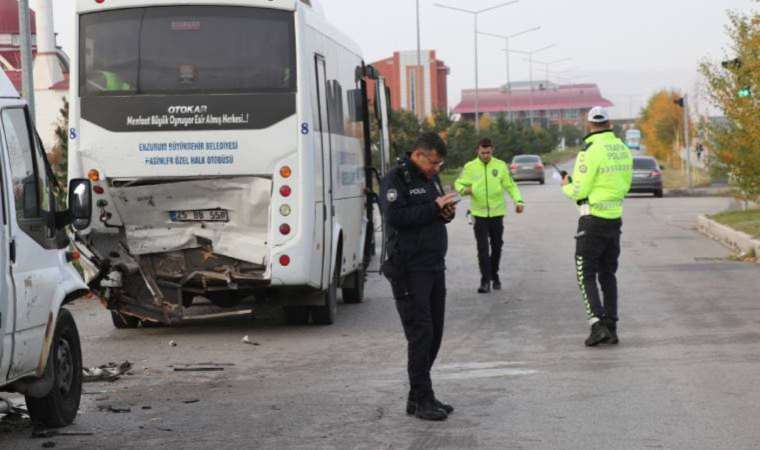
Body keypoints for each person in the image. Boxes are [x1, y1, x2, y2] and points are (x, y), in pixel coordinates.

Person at [379, 132, 458, 421]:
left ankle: (419, 395)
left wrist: (445, 212)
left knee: (434, 333)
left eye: (439, 164)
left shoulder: (429, 179)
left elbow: (433, 211)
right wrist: (433, 208)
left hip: (434, 264)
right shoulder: (396, 180)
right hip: (409, 268)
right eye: (434, 163)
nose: (436, 168)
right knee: (420, 333)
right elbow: (396, 218)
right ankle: (422, 398)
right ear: (419, 155)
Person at [562, 106, 633, 347]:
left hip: (592, 219)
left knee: (586, 273)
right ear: (609, 122)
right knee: (608, 274)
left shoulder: (589, 150)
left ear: (589, 124)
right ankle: (612, 326)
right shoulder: (622, 148)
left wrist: (566, 186)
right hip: (615, 218)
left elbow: (580, 189)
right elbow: (626, 183)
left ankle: (597, 325)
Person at [454, 138, 524, 293]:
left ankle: (495, 274)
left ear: (492, 150)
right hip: (479, 214)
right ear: (477, 151)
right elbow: (458, 183)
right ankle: (485, 281)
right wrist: (464, 190)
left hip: (497, 213)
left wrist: (519, 201)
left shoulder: (500, 166)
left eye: (488, 152)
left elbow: (510, 186)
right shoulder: (470, 167)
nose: (485, 155)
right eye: (482, 152)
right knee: (483, 248)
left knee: (497, 246)